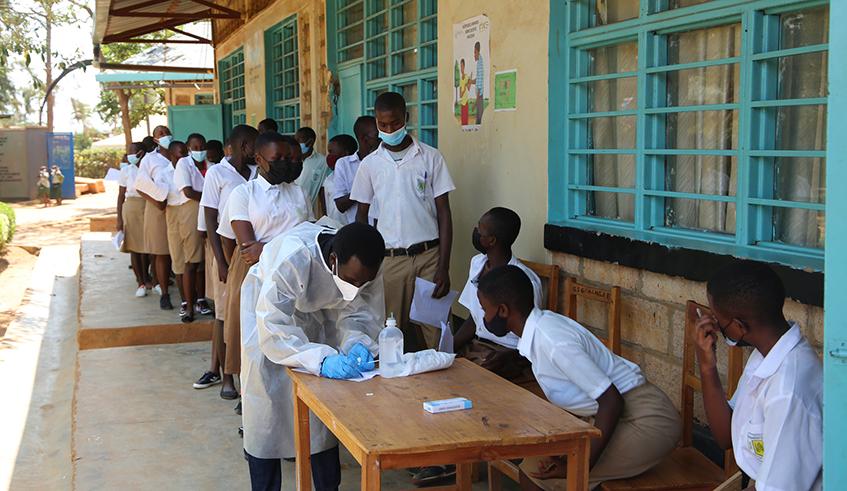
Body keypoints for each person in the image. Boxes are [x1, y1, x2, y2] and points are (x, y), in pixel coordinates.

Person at [473, 266, 680, 490]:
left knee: (545, 476)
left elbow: (612, 401)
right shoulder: (541, 328)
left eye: (485, 310)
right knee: (532, 467)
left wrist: (582, 465)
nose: (484, 318)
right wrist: (513, 358)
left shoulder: (552, 340)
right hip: (614, 414)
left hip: (647, 422)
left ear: (503, 310)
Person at [240, 221, 386, 491]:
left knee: (321, 414)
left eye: (363, 282)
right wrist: (321, 359)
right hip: (268, 314)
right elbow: (273, 328)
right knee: (265, 407)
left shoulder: (367, 266)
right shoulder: (294, 258)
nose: (358, 287)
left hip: (321, 315)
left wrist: (358, 342)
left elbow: (361, 313)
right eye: (352, 280)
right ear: (333, 260)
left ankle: (328, 486)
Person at [695, 261, 822, 490]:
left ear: (739, 326)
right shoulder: (766, 354)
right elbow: (725, 436)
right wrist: (707, 366)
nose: (714, 324)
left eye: (718, 319)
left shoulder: (786, 393)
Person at [350, 91, 455, 352]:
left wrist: (444, 266)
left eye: (395, 123)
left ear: (406, 118)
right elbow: (361, 216)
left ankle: (442, 378)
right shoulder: (370, 164)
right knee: (390, 332)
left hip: (429, 258)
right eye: (383, 125)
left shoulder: (430, 157)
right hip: (390, 260)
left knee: (436, 332)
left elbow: (444, 213)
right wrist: (366, 261)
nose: (389, 130)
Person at [217, 131, 314, 405]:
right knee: (252, 335)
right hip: (254, 273)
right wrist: (285, 243)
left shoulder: (299, 193)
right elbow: (248, 247)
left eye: (287, 157)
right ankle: (250, 398)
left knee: (290, 332)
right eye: (277, 158)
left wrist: (268, 246)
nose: (285, 162)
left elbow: (310, 233)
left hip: (294, 272)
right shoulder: (243, 194)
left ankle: (288, 395)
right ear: (259, 159)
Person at [200, 125, 259, 400]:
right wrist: (221, 261)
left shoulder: (257, 171)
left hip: (253, 252)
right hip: (226, 251)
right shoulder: (217, 173)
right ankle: (227, 376)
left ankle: (248, 375)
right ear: (244, 146)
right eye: (255, 145)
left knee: (247, 313)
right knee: (224, 316)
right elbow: (210, 218)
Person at [455, 207, 542, 377]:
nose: (476, 232)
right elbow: (474, 318)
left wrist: (508, 357)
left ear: (491, 240)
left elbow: (533, 335)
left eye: (480, 230)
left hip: (507, 355)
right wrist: (447, 347)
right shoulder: (477, 264)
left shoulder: (524, 280)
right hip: (476, 346)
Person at [167, 134, 211, 323]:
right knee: (192, 260)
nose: (200, 150)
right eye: (195, 147)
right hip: (192, 210)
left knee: (203, 259)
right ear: (189, 147)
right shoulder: (184, 164)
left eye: (202, 146)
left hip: (208, 210)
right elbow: (188, 192)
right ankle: (189, 306)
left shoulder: (211, 165)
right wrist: (211, 197)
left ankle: (201, 300)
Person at [134, 126, 175, 310]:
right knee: (161, 252)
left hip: (178, 207)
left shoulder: (179, 154)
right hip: (158, 208)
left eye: (167, 132)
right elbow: (140, 185)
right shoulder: (149, 159)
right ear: (155, 139)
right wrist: (157, 202)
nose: (165, 136)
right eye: (161, 134)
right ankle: (164, 293)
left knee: (179, 254)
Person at [117, 142, 153, 297]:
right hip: (131, 208)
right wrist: (119, 219)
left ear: (141, 153)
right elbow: (120, 196)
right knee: (134, 247)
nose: (129, 155)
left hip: (149, 206)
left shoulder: (149, 168)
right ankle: (140, 281)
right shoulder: (126, 171)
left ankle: (148, 276)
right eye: (128, 151)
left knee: (148, 246)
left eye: (133, 152)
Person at [333, 116, 381, 225]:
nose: (382, 140)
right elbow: (340, 205)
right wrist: (363, 189)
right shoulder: (344, 164)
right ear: (364, 139)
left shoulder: (386, 162)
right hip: (358, 229)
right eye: (378, 137)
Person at [321, 134, 357, 226]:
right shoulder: (329, 179)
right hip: (334, 227)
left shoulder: (358, 175)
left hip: (352, 227)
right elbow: (326, 208)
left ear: (346, 154)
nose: (329, 156)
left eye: (331, 152)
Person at [294, 126, 329, 208]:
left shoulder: (322, 162)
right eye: (295, 140)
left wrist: (325, 212)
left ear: (310, 142)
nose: (296, 143)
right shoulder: (291, 160)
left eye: (299, 140)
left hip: (307, 209)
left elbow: (322, 189)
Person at [471, 41, 484, 124]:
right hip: (479, 96)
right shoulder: (479, 62)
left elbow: (479, 84)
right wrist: (471, 81)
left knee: (479, 120)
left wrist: (475, 103)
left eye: (475, 52)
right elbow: (478, 79)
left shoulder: (480, 63)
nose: (474, 55)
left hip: (479, 97)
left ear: (478, 51)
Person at [459, 59, 470, 126]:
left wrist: (468, 83)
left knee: (466, 121)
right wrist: (464, 90)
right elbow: (460, 95)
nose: (461, 68)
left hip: (466, 101)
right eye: (460, 66)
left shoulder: (466, 76)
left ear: (464, 66)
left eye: (462, 66)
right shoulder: (460, 79)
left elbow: (469, 88)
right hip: (462, 102)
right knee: (463, 122)